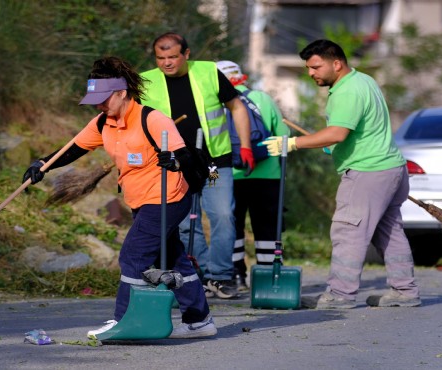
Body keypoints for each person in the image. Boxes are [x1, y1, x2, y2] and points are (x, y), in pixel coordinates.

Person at [22, 56, 217, 338]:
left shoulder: (152, 119)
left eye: (104, 99)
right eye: (96, 100)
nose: (100, 105)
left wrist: (172, 161)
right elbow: (74, 148)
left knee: (133, 256)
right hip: (141, 200)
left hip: (167, 198)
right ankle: (200, 321)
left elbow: (186, 157)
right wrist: (43, 164)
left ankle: (124, 320)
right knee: (173, 258)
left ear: (122, 93)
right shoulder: (104, 122)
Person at [261, 39, 421, 309]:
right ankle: (405, 291)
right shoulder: (363, 80)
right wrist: (333, 146)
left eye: (316, 67)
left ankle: (340, 295)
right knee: (390, 232)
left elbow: (337, 133)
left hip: (368, 172)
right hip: (391, 168)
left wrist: (292, 143)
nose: (311, 73)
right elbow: (354, 132)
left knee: (348, 232)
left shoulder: (348, 91)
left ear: (336, 63)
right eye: (308, 68)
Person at [139, 32, 255, 299]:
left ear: (186, 54)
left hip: (213, 165)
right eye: (161, 58)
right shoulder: (147, 81)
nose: (167, 63)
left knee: (223, 214)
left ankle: (221, 276)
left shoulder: (209, 72)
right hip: (177, 166)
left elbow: (236, 107)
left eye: (172, 57)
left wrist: (245, 145)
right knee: (184, 223)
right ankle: (201, 274)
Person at [216, 60, 290, 292]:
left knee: (232, 225)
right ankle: (269, 278)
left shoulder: (214, 102)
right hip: (268, 174)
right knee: (267, 226)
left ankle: (236, 275)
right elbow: (284, 136)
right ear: (242, 77)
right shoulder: (263, 99)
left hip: (229, 174)